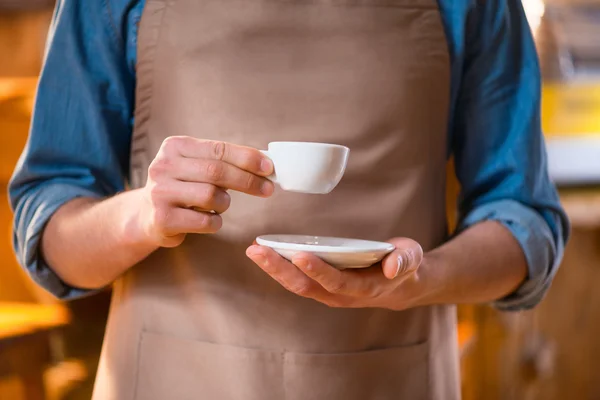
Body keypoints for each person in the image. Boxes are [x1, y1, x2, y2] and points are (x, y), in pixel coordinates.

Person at [9, 0, 569, 399]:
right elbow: (52, 240)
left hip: (391, 380)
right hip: (165, 378)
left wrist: (423, 276)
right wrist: (139, 215)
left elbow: (524, 220)